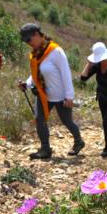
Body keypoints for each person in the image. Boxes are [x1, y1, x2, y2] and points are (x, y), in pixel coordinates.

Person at [18, 23, 84, 159]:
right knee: (39, 120)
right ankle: (45, 149)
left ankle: (79, 141)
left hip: (60, 96)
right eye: (25, 41)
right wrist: (28, 83)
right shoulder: (36, 54)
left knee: (67, 121)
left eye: (29, 40)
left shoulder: (56, 52)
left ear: (37, 35)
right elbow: (36, 73)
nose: (28, 43)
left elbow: (66, 74)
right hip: (43, 95)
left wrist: (69, 97)